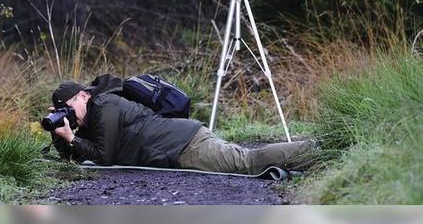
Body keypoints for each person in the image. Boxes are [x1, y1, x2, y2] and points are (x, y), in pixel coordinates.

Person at [50, 74, 316, 175]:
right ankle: (311, 153)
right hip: (181, 145)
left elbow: (103, 157)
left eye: (70, 105)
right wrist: (59, 132)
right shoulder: (90, 118)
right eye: (64, 109)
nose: (69, 112)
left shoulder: (104, 106)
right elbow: (71, 158)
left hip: (185, 145)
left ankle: (317, 150)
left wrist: (71, 138)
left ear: (84, 95)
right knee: (244, 160)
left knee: (246, 163)